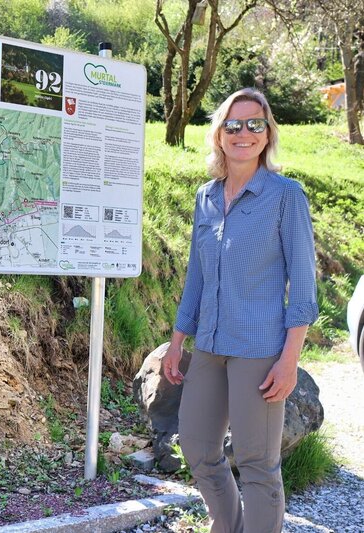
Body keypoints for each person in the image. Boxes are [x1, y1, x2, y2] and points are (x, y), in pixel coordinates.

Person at [162, 88, 318, 533]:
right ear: (219, 135)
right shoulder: (206, 197)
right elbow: (197, 276)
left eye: (254, 124)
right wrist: (177, 343)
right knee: (195, 446)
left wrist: (290, 360)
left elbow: (303, 287)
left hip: (259, 349)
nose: (243, 133)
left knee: (257, 463)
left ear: (268, 134)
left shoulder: (286, 196)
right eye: (233, 125)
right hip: (210, 344)